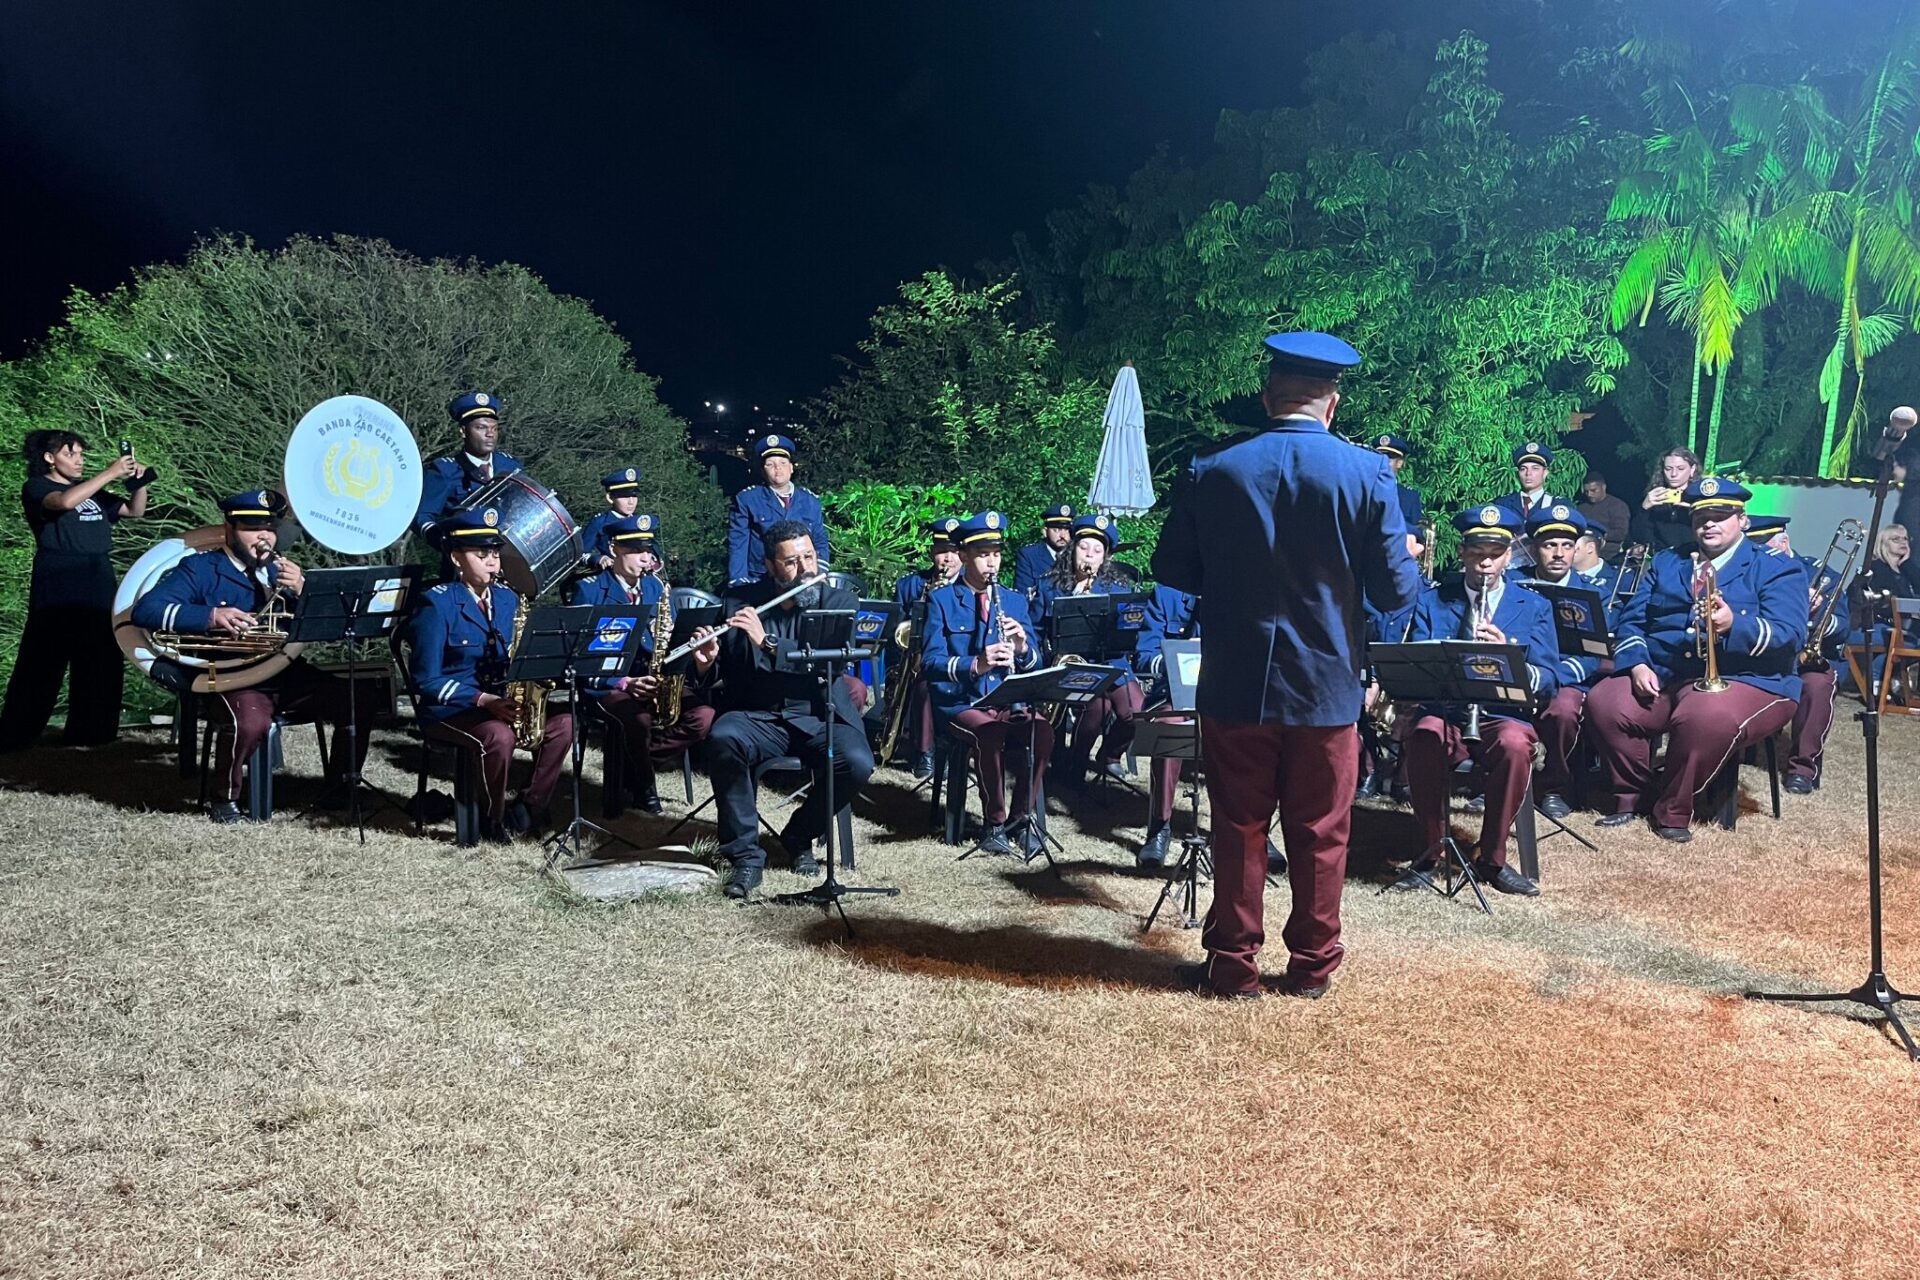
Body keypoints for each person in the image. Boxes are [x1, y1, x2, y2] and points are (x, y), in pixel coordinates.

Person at [1152, 330, 1420, 1000]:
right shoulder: (1367, 473)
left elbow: (1173, 569)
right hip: (1326, 687)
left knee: (1237, 826)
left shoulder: (1212, 466)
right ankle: (1311, 968)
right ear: (1332, 402)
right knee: (1323, 831)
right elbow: (1393, 592)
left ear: (1270, 395)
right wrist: (1407, 557)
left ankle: (1233, 965)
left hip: (1235, 680)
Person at [130, 490, 379, 823]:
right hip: (231, 674)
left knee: (358, 697)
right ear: (229, 528)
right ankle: (225, 798)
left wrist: (305, 590)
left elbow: (323, 625)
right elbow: (147, 609)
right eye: (252, 527)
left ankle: (339, 789)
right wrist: (211, 617)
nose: (264, 536)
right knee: (249, 722)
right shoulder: (201, 569)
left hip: (285, 672)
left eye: (270, 527)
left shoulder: (281, 573)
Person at [1586, 478, 1805, 841]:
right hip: (1669, 672)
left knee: (1704, 714)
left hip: (1752, 679)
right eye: (1701, 516)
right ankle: (1634, 796)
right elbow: (1633, 621)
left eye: (1721, 515)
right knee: (1605, 702)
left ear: (1743, 521)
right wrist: (1637, 663)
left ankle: (1672, 809)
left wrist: (1736, 625)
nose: (1709, 524)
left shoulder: (1776, 567)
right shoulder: (1668, 561)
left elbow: (1789, 634)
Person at [1393, 506, 1558, 896]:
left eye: (1495, 554)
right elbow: (1418, 658)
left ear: (1508, 555)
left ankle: (1493, 859)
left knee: (1516, 746)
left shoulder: (1534, 606)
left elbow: (1549, 677)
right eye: (1477, 553)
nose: (1485, 563)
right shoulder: (1433, 601)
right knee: (1424, 737)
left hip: (1502, 713)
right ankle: (1431, 850)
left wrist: (1509, 661)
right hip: (1446, 710)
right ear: (1463, 552)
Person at [702, 519, 871, 898]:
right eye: (792, 562)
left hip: (816, 712)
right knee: (723, 737)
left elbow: (826, 665)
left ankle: (798, 833)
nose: (806, 568)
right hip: (758, 715)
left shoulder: (837, 602)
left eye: (809, 557)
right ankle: (745, 856)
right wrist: (705, 659)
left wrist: (768, 643)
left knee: (858, 762)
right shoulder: (739, 602)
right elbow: (721, 672)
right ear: (770, 566)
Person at [403, 506, 577, 843]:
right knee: (499, 737)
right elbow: (425, 681)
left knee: (564, 724)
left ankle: (528, 808)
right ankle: (490, 820)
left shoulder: (508, 600)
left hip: (500, 703)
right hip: (452, 710)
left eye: (495, 553)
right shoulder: (436, 604)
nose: (492, 562)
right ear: (456, 558)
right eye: (482, 554)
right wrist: (483, 700)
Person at [0, 430, 152, 751]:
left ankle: (91, 734)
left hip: (97, 577)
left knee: (100, 655)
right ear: (49, 458)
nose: (80, 461)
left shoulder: (93, 492)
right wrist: (109, 472)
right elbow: (65, 502)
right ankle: (18, 733)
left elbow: (133, 511)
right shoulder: (38, 487)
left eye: (82, 454)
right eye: (72, 454)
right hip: (60, 578)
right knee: (44, 658)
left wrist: (139, 483)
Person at [924, 510, 1053, 858]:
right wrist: (976, 664)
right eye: (983, 555)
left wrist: (1023, 648)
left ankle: (1021, 819)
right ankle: (993, 823)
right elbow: (930, 663)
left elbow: (1035, 662)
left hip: (1007, 700)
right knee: (989, 733)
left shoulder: (1012, 600)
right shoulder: (941, 600)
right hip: (961, 704)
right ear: (964, 556)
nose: (991, 562)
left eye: (996, 554)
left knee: (1041, 731)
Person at [569, 514, 710, 814]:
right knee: (638, 721)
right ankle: (645, 786)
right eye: (635, 551)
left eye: (648, 550)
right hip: (609, 682)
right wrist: (624, 683)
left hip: (653, 676)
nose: (645, 558)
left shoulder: (655, 588)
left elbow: (666, 635)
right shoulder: (589, 589)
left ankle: (632, 765)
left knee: (703, 716)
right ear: (613, 549)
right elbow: (581, 657)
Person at [1032, 512, 1142, 788]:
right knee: (1095, 710)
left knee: (1136, 712)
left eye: (1097, 550)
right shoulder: (1050, 585)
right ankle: (1076, 765)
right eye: (1083, 548)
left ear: (1104, 557)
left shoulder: (1117, 587)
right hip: (1072, 665)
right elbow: (1034, 628)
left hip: (1113, 662)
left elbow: (1131, 629)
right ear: (1072, 550)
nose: (1089, 556)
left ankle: (1109, 754)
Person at [1744, 516, 1848, 795]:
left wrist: (1819, 612)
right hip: (1765, 654)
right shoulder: (1751, 570)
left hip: (1809, 658)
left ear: (1784, 542)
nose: (1758, 554)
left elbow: (1843, 628)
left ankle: (1803, 769)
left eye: (1762, 546)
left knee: (1817, 685)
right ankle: (1738, 748)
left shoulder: (1820, 572)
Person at [1517, 505, 1608, 821]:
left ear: (1577, 549)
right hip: (1520, 674)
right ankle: (1490, 783)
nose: (1558, 553)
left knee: (1564, 712)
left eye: (1567, 545)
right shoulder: (1515, 584)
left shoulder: (1592, 592)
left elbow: (1596, 652)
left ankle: (1554, 786)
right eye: (1549, 545)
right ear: (1534, 548)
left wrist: (1552, 676)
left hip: (1568, 678)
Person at [413, 392, 524, 576]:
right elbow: (422, 516)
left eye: (494, 428)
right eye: (481, 428)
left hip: (508, 566)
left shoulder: (510, 466)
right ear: (463, 431)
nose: (490, 434)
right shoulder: (445, 471)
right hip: (462, 569)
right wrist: (443, 541)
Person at [888, 517, 962, 776]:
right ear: (932, 552)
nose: (948, 559)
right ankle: (925, 754)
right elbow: (895, 632)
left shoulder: (972, 588)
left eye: (954, 552)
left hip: (957, 663)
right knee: (924, 683)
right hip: (918, 664)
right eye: (943, 551)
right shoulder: (910, 585)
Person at [726, 434, 830, 585]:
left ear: (791, 468)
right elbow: (738, 544)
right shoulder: (748, 500)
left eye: (783, 463)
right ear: (763, 470)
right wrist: (738, 582)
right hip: (762, 578)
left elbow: (820, 540)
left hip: (801, 577)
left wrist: (819, 572)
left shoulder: (810, 501)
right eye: (770, 464)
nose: (777, 468)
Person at [1628, 447, 1701, 553]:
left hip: (1696, 557)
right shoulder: (1655, 497)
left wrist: (1697, 511)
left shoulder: (1701, 497)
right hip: (1664, 560)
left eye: (1680, 468)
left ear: (1692, 469)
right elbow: (1640, 538)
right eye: (1668, 469)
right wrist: (1644, 509)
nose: (1673, 474)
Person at [579, 467, 643, 568]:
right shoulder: (600, 523)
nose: (631, 502)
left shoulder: (640, 522)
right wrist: (598, 559)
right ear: (610, 498)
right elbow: (580, 553)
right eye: (624, 496)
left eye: (634, 496)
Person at [1013, 504, 1074, 595]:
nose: (1062, 535)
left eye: (1066, 530)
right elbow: (1023, 594)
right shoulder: (1030, 556)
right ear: (1045, 532)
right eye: (1056, 530)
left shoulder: (1076, 556)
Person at [1369, 432, 1425, 530]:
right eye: (1380, 457)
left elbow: (1416, 536)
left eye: (1389, 458)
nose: (1383, 462)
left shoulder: (1410, 498)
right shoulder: (1361, 491)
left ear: (1399, 463)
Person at [1577, 471, 1631, 558]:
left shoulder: (1617, 506)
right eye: (1586, 491)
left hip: (1609, 555)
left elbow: (1621, 533)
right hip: (1582, 553)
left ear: (1603, 487)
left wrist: (1597, 535)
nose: (1590, 494)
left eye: (1593, 490)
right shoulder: (1581, 508)